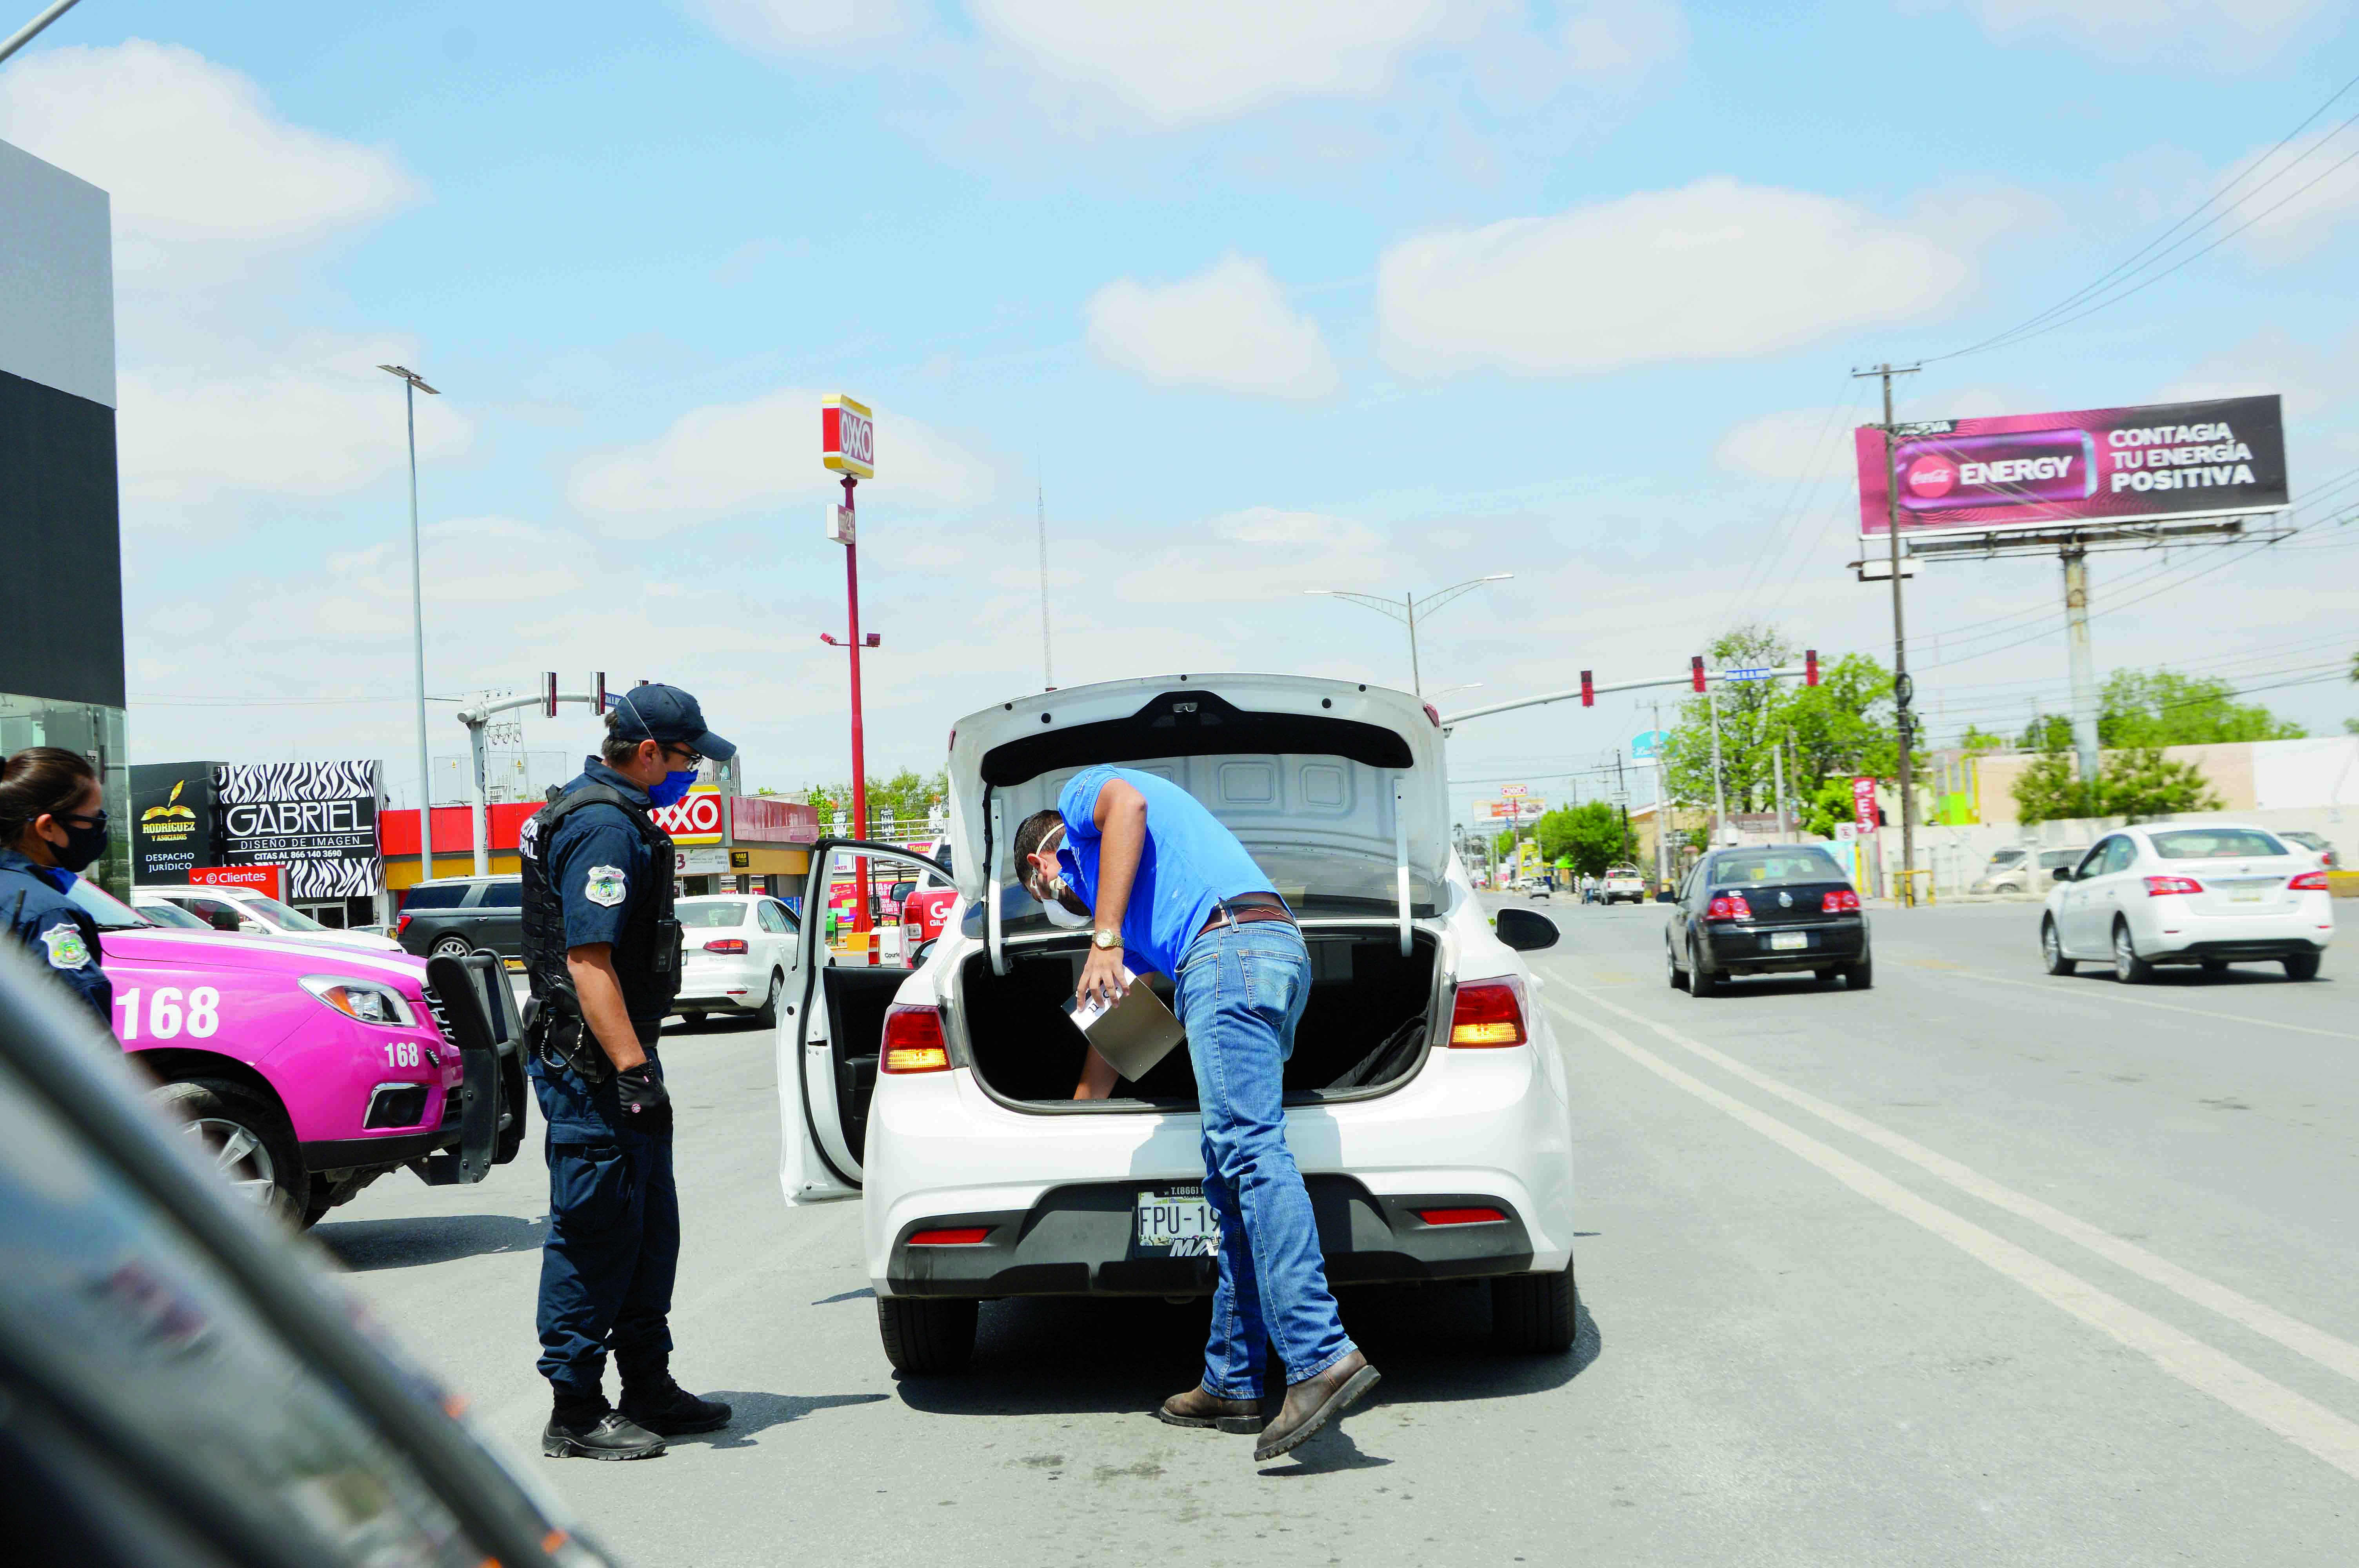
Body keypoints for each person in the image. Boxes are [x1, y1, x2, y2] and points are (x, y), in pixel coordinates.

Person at [1016, 767, 1381, 1463]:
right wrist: (1078, 1113)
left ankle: (1320, 1355)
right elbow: (1119, 1019)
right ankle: (1231, 1379)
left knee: (1250, 1156)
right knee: (1230, 1180)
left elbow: (1129, 801)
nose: (1057, 902)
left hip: (1230, 952)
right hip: (1260, 951)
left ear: (1042, 862)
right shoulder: (1153, 906)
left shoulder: (1078, 810)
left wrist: (1104, 935)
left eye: (1046, 894)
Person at [520, 684, 735, 1460]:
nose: (692, 773)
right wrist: (633, 1071)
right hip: (593, 1068)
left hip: (617, 1062)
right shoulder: (604, 825)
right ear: (649, 752)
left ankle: (649, 1384)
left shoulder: (617, 813)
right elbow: (587, 959)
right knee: (596, 1231)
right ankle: (575, 1410)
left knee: (648, 1228)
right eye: (686, 759)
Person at [0, 747, 114, 1024]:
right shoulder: (46, 916)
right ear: (47, 827)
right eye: (95, 821)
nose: (100, 832)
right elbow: (85, 1041)